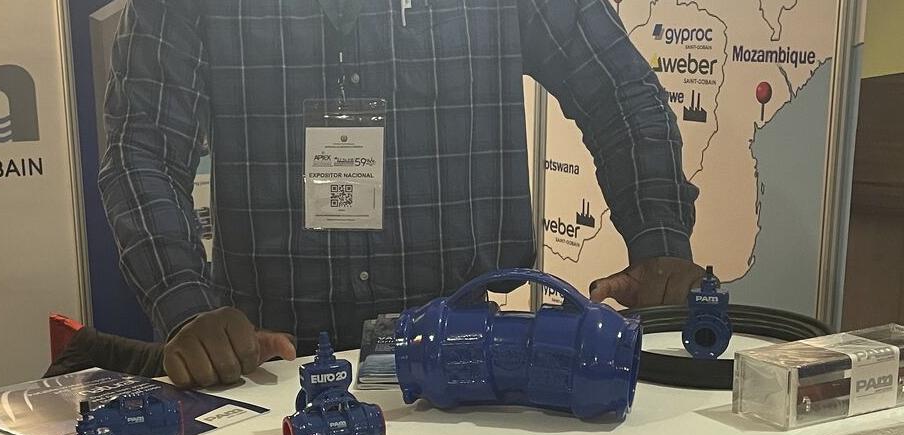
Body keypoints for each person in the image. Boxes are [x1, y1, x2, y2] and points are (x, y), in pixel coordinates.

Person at [99, 0, 703, 389]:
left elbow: (619, 93)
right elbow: (140, 148)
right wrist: (186, 306)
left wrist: (659, 240)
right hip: (270, 369)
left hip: (471, 357)